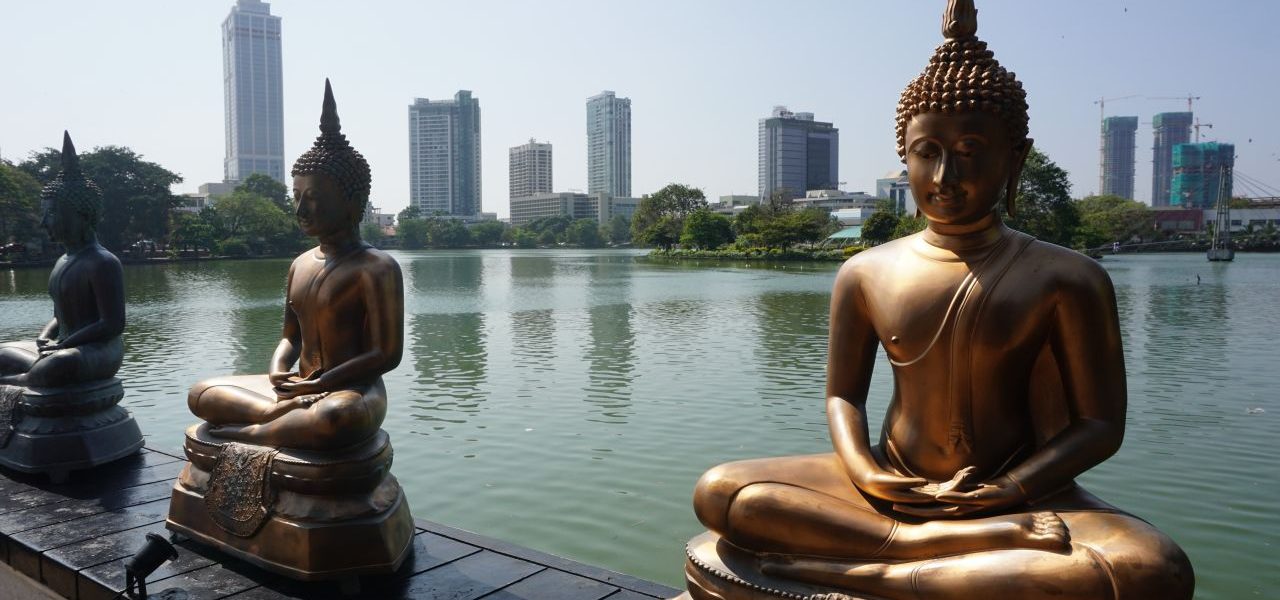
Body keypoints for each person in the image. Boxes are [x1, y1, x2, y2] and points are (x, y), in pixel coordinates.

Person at [688, 2, 1193, 598]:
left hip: (1023, 494)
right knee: (720, 492)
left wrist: (1010, 489)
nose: (945, 174)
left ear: (1015, 157)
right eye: (926, 151)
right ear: (905, 155)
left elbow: (1099, 425)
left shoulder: (1068, 277)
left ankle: (878, 570)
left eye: (971, 149)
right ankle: (914, 549)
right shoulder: (865, 271)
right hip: (894, 480)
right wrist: (867, 471)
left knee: (1151, 570)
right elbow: (843, 396)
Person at [187, 80, 404, 451]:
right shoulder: (300, 264)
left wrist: (322, 384)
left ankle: (254, 432)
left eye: (314, 198)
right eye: (297, 196)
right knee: (202, 393)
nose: (301, 209)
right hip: (299, 387)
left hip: (352, 391)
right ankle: (276, 415)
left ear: (353, 203)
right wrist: (278, 372)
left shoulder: (376, 267)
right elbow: (290, 336)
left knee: (337, 418)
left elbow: (385, 355)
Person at [0, 133, 124, 388]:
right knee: (2, 352)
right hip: (65, 344)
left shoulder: (103, 262)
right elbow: (60, 316)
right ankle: (29, 376)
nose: (44, 222)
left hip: (98, 349)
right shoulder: (62, 261)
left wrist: (65, 344)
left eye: (52, 214)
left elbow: (112, 324)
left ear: (82, 215)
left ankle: (19, 381)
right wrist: (45, 336)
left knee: (59, 364)